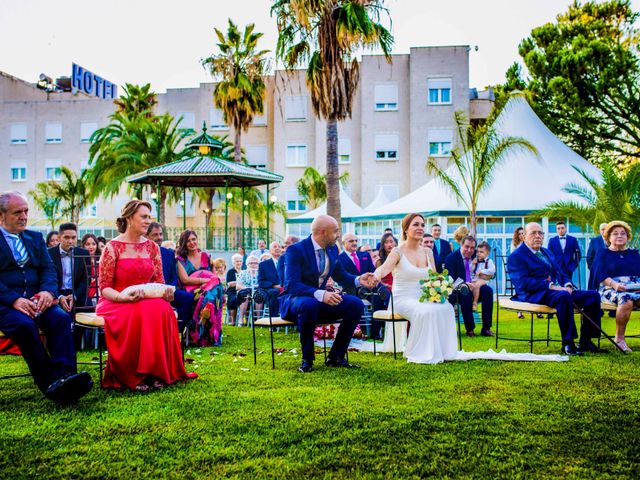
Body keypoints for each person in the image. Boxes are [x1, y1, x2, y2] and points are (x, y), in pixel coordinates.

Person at [370, 214, 567, 364]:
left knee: (445, 307)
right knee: (427, 310)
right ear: (406, 228)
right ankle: (418, 352)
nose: (420, 228)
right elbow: (384, 269)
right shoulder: (397, 251)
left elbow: (434, 276)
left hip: (424, 296)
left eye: (422, 224)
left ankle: (444, 352)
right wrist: (374, 276)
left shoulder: (428, 252)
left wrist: (439, 287)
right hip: (403, 298)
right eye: (416, 224)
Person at [0, 191, 93, 404]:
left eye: (26, 211)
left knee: (60, 318)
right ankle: (50, 382)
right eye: (17, 212)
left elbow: (48, 270)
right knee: (24, 326)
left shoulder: (34, 237)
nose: (24, 216)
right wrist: (14, 300)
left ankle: (66, 376)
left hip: (38, 299)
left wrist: (47, 292)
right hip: (5, 305)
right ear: (1, 216)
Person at [97, 200, 195, 391]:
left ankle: (157, 372)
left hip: (147, 298)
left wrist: (165, 293)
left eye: (149, 217)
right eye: (143, 216)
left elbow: (158, 282)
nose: (147, 221)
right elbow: (105, 288)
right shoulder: (112, 247)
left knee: (162, 308)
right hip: (115, 300)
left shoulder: (152, 248)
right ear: (129, 217)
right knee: (142, 310)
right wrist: (122, 298)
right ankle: (134, 375)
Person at [279, 215, 376, 373]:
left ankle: (336, 356)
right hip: (294, 301)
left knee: (356, 304)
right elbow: (292, 284)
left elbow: (341, 275)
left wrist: (359, 280)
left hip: (319, 302)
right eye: (336, 231)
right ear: (323, 232)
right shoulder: (295, 250)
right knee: (308, 304)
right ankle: (307, 360)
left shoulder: (332, 249)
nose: (338, 235)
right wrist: (320, 294)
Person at [507, 222, 603, 355]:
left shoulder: (547, 252)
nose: (538, 236)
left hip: (557, 291)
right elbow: (521, 283)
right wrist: (551, 286)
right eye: (533, 233)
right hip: (534, 293)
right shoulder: (516, 256)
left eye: (540, 233)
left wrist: (568, 284)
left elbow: (561, 272)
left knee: (593, 296)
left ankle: (586, 341)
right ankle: (568, 343)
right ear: (523, 237)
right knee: (563, 297)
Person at [591, 221, 640, 352]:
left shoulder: (634, 254)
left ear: (627, 237)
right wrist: (615, 284)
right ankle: (619, 340)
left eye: (623, 233)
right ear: (608, 237)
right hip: (610, 287)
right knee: (626, 300)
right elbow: (600, 275)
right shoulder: (603, 253)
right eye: (615, 233)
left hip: (635, 286)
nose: (619, 236)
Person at [176, 230, 223, 346]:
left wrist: (209, 283)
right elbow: (185, 279)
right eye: (188, 241)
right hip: (192, 291)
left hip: (209, 289)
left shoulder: (206, 256)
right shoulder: (180, 260)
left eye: (193, 239)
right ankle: (206, 335)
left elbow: (214, 276)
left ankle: (198, 329)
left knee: (213, 290)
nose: (192, 243)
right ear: (183, 243)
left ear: (197, 240)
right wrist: (203, 281)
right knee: (211, 296)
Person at [338, 232, 389, 339]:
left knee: (383, 293)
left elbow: (373, 271)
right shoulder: (339, 258)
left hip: (370, 286)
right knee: (376, 297)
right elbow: (343, 277)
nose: (354, 243)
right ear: (343, 243)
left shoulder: (364, 255)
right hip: (353, 289)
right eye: (351, 241)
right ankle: (373, 332)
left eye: (356, 240)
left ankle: (378, 331)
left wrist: (373, 281)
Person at [146, 223, 194, 332]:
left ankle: (176, 330)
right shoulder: (142, 253)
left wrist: (170, 288)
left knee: (188, 298)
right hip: (149, 293)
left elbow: (173, 276)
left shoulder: (168, 253)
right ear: (147, 236)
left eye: (160, 234)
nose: (159, 238)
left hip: (168, 291)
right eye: (155, 235)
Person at [444, 236, 494, 337]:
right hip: (458, 288)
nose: (469, 250)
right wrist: (464, 284)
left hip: (476, 286)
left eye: (472, 248)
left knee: (488, 291)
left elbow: (491, 272)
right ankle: (470, 329)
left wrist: (485, 275)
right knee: (465, 292)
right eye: (466, 247)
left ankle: (486, 328)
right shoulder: (451, 258)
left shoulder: (478, 255)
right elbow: (450, 279)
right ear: (461, 245)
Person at [48, 223, 90, 315]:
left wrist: (75, 295)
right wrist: (59, 296)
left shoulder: (84, 253)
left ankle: (82, 330)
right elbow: (48, 279)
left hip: (77, 292)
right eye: (66, 237)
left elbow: (86, 280)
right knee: (57, 315)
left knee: (88, 307)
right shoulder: (49, 253)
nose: (70, 241)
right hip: (56, 292)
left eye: (73, 238)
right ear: (59, 238)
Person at [258, 241, 283, 317]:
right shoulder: (263, 264)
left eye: (279, 247)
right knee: (274, 292)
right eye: (275, 247)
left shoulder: (287, 263)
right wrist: (274, 286)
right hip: (269, 290)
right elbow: (261, 282)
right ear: (270, 250)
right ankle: (274, 321)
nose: (277, 248)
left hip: (285, 288)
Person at [236, 255, 262, 325]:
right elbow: (238, 286)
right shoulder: (243, 273)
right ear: (247, 264)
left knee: (259, 295)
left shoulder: (260, 274)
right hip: (245, 290)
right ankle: (241, 319)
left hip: (257, 291)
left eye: (255, 263)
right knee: (245, 295)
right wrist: (248, 288)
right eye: (251, 263)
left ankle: (258, 319)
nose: (253, 265)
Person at [471, 241, 496, 311]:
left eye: (481, 252)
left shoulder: (489, 261)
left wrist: (482, 271)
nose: (479, 254)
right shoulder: (476, 260)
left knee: (477, 285)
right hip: (475, 279)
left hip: (484, 280)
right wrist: (472, 264)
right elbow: (471, 270)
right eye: (478, 252)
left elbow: (492, 270)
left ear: (487, 253)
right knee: (471, 286)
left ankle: (475, 303)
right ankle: (470, 302)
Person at [587, 222, 608, 290]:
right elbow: (589, 257)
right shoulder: (594, 241)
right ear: (599, 231)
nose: (604, 231)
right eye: (602, 229)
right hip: (597, 272)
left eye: (606, 229)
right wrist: (593, 269)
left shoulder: (613, 239)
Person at [80, 233, 101, 303]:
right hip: (86, 294)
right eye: (88, 244)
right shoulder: (80, 260)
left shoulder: (101, 259)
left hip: (101, 293)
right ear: (83, 246)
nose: (91, 247)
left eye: (93, 244)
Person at [226, 254, 244, 326]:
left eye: (240, 261)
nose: (239, 263)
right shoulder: (230, 272)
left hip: (242, 290)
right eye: (237, 261)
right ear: (233, 263)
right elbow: (230, 284)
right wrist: (240, 283)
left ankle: (244, 319)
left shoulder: (244, 271)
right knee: (233, 299)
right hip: (232, 291)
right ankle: (232, 321)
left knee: (245, 298)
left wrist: (236, 283)